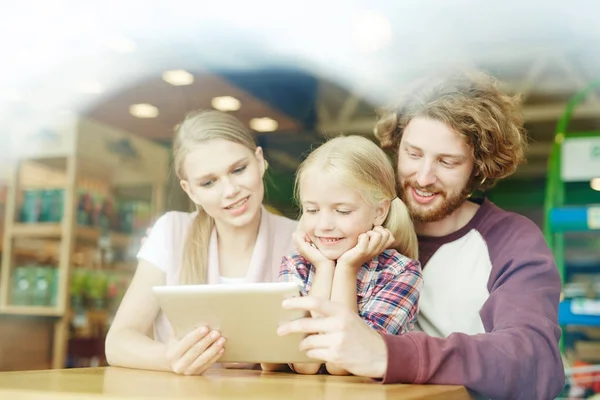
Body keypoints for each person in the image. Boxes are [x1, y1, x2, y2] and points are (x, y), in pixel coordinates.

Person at [276, 71, 565, 399]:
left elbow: (535, 363)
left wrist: (387, 354)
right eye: (413, 154)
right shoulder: (347, 228)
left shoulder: (512, 241)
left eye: (447, 161)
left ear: (479, 165)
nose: (424, 177)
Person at [104, 109, 299, 375]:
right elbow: (118, 342)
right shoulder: (172, 231)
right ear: (190, 191)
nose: (230, 191)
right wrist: (169, 358)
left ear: (260, 160)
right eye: (208, 183)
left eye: (239, 169)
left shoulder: (300, 239)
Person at [270, 135, 423, 375]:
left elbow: (341, 365)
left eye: (342, 211)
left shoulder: (401, 273)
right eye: (311, 210)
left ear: (379, 212)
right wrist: (323, 267)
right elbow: (304, 363)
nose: (324, 225)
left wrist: (346, 269)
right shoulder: (296, 265)